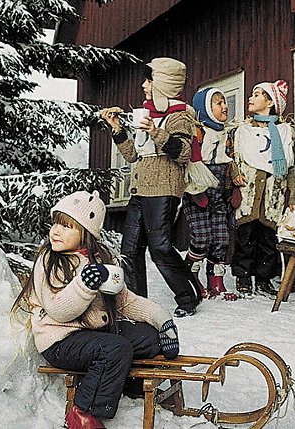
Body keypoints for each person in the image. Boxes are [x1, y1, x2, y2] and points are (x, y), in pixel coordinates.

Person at [12, 190, 180, 429]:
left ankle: (126, 384)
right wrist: (84, 285)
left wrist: (162, 320)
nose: (56, 231)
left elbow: (125, 302)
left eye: (67, 226)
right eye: (56, 223)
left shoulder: (101, 258)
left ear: (86, 233)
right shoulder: (50, 261)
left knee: (149, 338)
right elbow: (58, 310)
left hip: (93, 333)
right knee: (116, 348)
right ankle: (82, 412)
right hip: (60, 339)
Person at [100, 57, 201, 317]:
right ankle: (136, 303)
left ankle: (189, 297)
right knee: (130, 249)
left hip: (164, 191)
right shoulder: (147, 114)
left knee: (160, 249)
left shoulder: (180, 116)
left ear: (163, 85)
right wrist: (117, 129)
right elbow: (133, 155)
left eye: (149, 80)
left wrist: (156, 131)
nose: (144, 86)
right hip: (140, 189)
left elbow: (183, 153)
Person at [231, 80, 295, 298]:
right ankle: (242, 277)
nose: (251, 98)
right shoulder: (244, 130)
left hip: (272, 194)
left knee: (268, 238)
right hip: (249, 191)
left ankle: (263, 279)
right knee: (246, 236)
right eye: (252, 94)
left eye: (257, 94)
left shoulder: (283, 131)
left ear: (270, 102)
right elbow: (235, 158)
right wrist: (235, 174)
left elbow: (289, 164)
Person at [182, 88, 236, 299]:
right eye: (217, 103)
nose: (224, 106)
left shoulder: (227, 135)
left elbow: (231, 161)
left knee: (221, 237)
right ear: (204, 108)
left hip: (220, 194)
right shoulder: (198, 132)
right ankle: (190, 277)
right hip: (198, 193)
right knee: (202, 237)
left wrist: (235, 180)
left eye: (224, 102)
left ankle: (216, 281)